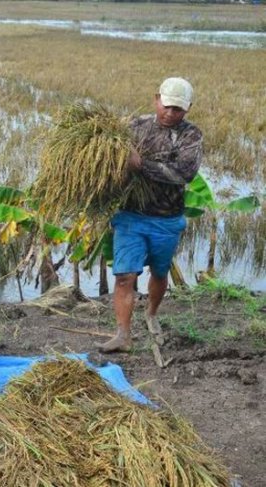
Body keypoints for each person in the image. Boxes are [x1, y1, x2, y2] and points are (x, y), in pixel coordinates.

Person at [97, 77, 203, 353]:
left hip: (166, 219)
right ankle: (122, 335)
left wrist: (141, 165)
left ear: (188, 108)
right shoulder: (134, 127)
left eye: (177, 109)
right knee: (124, 276)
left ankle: (152, 313)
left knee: (159, 271)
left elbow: (185, 172)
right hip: (131, 216)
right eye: (166, 106)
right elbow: (111, 159)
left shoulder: (191, 136)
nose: (170, 113)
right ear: (157, 99)